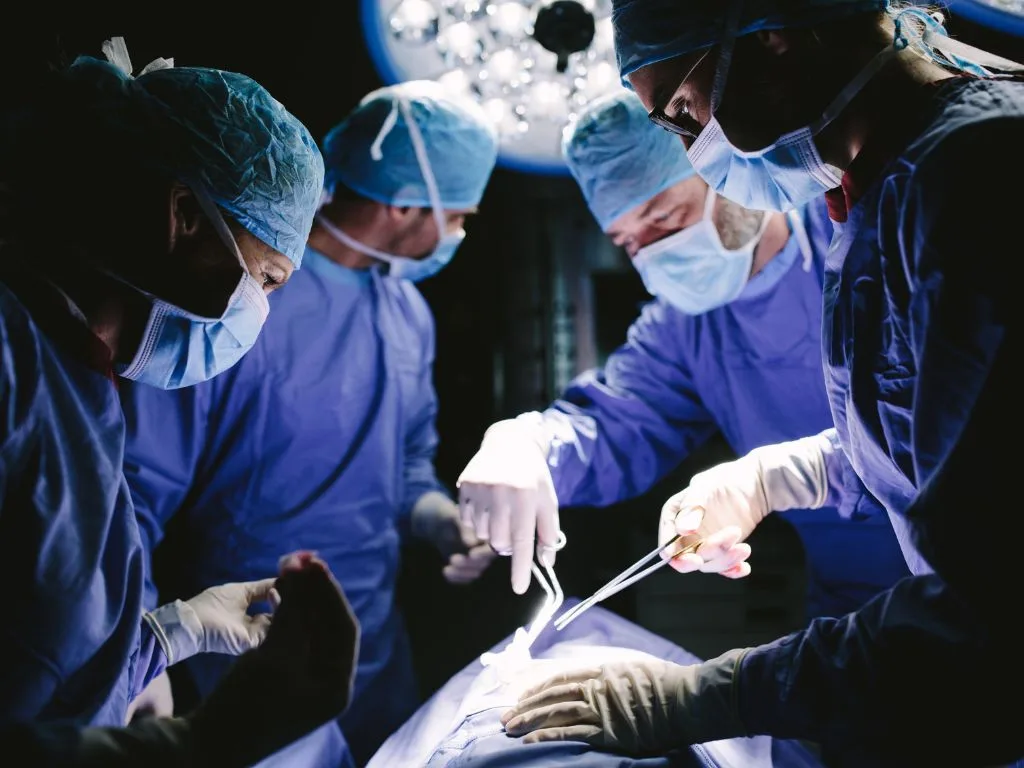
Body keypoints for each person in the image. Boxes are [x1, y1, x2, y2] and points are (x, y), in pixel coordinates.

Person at [501, 2, 1024, 764]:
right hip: (899, 654)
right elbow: (953, 439)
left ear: (770, 34)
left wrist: (709, 696)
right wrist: (780, 476)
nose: (697, 146)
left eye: (683, 108)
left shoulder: (978, 173)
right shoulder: (876, 197)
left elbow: (992, 609)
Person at [121, 79, 501, 766]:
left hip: (379, 650)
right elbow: (134, 493)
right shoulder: (232, 305)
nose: (460, 234)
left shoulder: (407, 313)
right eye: (460, 216)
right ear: (408, 203)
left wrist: (439, 518)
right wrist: (142, 650)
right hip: (248, 646)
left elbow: (406, 465)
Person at [0, 37, 358, 764]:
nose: (261, 310)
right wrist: (202, 744)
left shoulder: (77, 380)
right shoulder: (13, 363)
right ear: (185, 213)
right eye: (267, 277)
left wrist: (169, 637)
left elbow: (48, 665)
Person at [456, 89, 908, 620]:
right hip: (854, 607)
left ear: (732, 172)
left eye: (665, 217)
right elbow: (612, 425)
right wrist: (527, 444)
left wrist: (776, 479)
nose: (653, 253)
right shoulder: (686, 325)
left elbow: (942, 419)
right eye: (628, 242)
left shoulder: (867, 240)